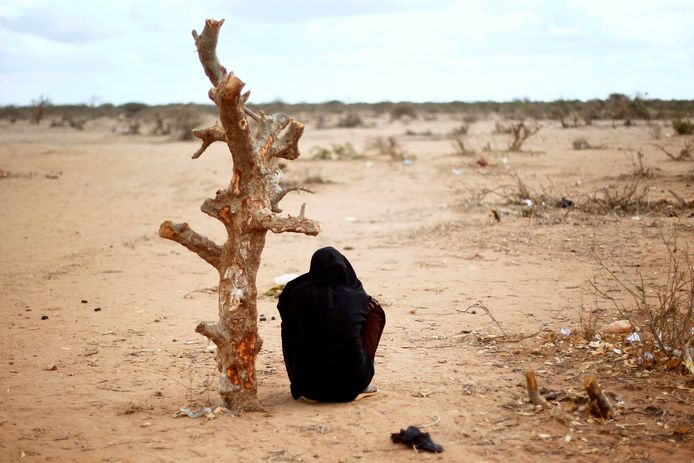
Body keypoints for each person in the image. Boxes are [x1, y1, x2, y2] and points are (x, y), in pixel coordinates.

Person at [277, 247, 386, 402]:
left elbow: (286, 314)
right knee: (373, 312)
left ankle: (303, 383)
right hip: (354, 382)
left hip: (310, 387)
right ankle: (362, 383)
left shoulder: (297, 293)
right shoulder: (356, 296)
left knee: (291, 324)